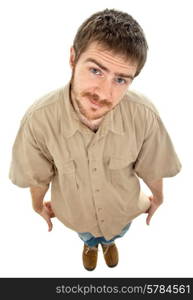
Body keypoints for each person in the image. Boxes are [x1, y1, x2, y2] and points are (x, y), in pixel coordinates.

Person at [9, 8, 182, 271]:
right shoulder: (38, 120)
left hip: (120, 212)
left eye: (121, 79)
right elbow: (37, 175)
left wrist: (158, 198)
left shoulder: (144, 115)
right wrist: (38, 206)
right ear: (73, 58)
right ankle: (90, 245)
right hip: (75, 215)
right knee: (87, 234)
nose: (104, 92)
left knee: (116, 232)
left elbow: (153, 165)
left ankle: (110, 243)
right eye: (96, 71)